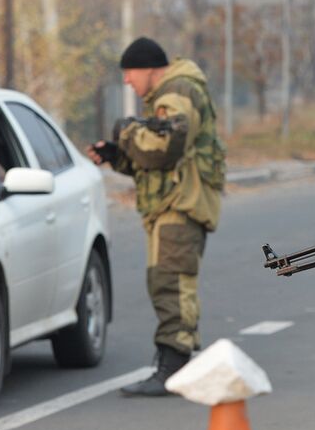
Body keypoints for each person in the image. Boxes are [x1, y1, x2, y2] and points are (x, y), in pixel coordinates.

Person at [86, 36, 226, 397]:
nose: (128, 82)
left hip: (180, 206)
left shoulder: (177, 91)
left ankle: (171, 368)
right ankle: (174, 364)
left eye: (130, 73)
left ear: (149, 68)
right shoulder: (170, 94)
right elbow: (154, 161)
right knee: (167, 281)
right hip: (171, 204)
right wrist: (118, 153)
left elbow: (167, 146)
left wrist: (128, 130)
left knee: (171, 283)